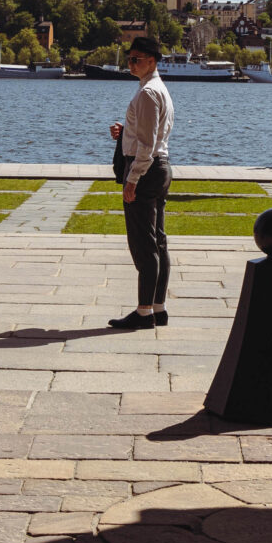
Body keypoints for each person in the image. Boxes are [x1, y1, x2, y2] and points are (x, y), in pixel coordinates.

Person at [105, 34, 174, 330]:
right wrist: (127, 132)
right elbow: (152, 135)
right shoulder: (159, 89)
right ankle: (158, 308)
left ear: (152, 61)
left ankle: (144, 312)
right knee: (158, 241)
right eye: (129, 59)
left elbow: (147, 143)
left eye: (136, 59)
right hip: (160, 167)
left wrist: (132, 179)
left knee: (144, 244)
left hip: (146, 169)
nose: (130, 64)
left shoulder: (147, 93)